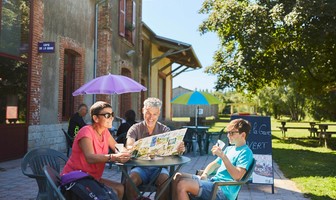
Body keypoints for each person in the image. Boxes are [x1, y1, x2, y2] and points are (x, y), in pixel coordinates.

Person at [61, 101, 131, 200]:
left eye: (112, 114)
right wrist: (113, 157)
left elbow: (116, 147)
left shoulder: (104, 132)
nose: (111, 118)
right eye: (107, 115)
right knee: (112, 193)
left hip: (92, 178)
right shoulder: (86, 131)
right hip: (76, 179)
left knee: (120, 188)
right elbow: (90, 157)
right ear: (95, 118)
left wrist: (126, 152)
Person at [172, 118, 254, 200]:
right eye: (228, 132)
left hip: (222, 190)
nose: (228, 135)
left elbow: (237, 176)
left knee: (182, 185)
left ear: (243, 135)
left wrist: (223, 156)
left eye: (232, 133)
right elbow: (214, 165)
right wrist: (205, 174)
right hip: (213, 183)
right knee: (177, 176)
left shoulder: (245, 152)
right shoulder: (230, 149)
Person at [125, 97, 185, 200]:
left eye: (154, 114)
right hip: (140, 167)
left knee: (165, 180)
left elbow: (176, 152)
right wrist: (133, 147)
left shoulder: (165, 129)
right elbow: (129, 146)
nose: (151, 117)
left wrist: (180, 149)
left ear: (159, 114)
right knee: (130, 181)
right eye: (148, 113)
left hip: (160, 168)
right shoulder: (135, 128)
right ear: (143, 111)